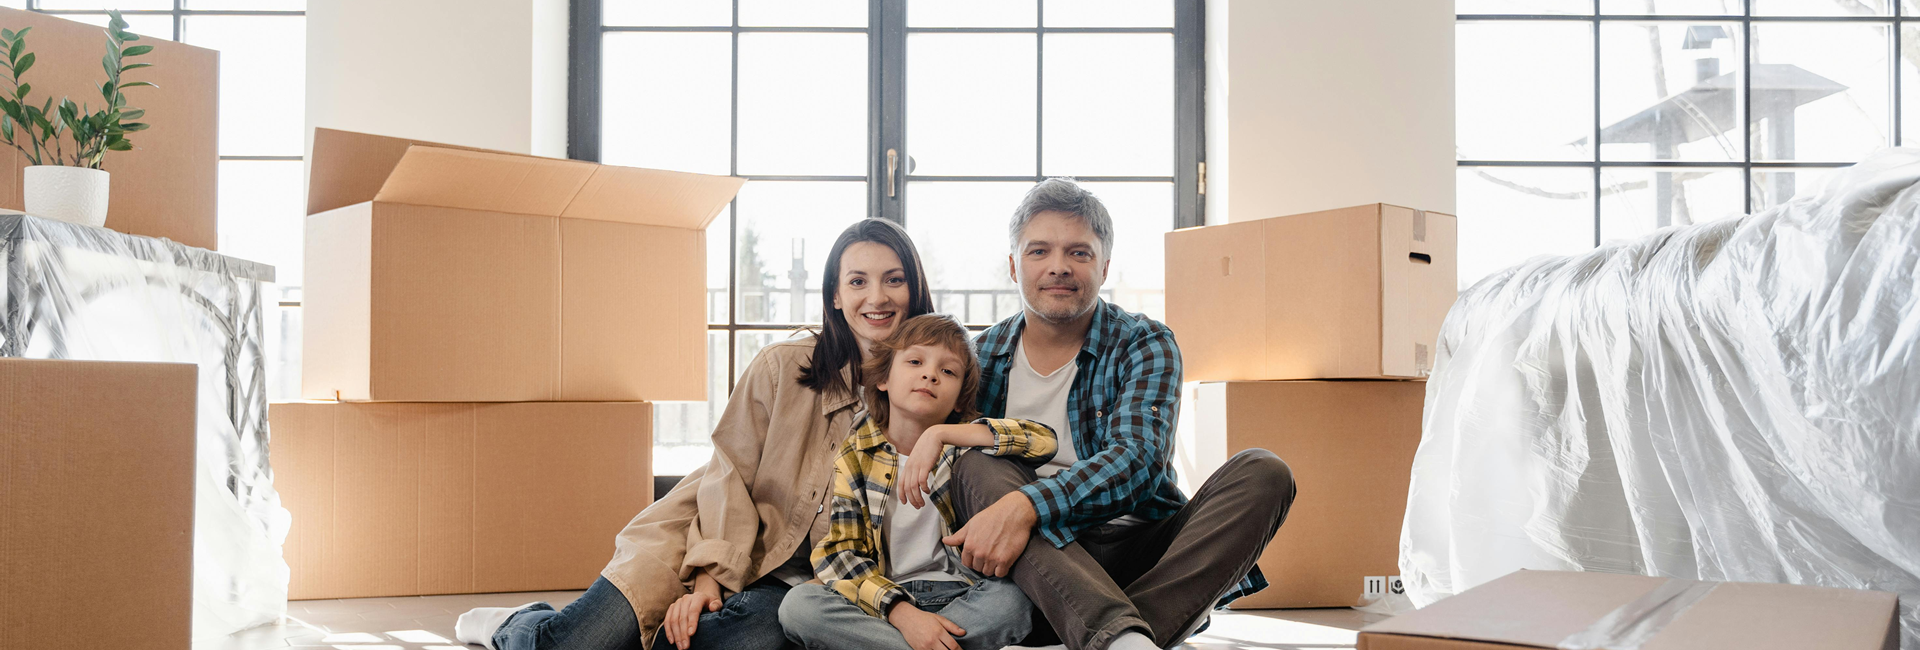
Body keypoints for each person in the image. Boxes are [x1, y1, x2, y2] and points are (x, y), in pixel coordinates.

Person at [453, 218, 938, 650]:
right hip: (700, 534)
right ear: (835, 295)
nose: (877, 297)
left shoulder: (933, 384)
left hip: (794, 583)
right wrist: (708, 579)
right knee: (569, 643)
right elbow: (730, 474)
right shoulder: (781, 366)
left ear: (914, 289)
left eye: (893, 280)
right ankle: (517, 624)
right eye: (858, 281)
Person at [944, 178, 1298, 650]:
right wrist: (1016, 509)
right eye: (1039, 251)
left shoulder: (1143, 342)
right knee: (975, 461)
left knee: (1265, 472)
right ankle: (1127, 639)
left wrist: (1027, 505)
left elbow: (1139, 460)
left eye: (1079, 253)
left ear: (1104, 266)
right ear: (1013, 265)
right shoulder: (978, 357)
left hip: (1141, 550)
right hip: (1037, 563)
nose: (1059, 266)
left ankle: (1112, 632)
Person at [778, 314, 1057, 650]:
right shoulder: (856, 454)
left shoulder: (964, 448)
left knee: (1014, 599)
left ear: (959, 397)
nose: (930, 375)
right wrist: (902, 613)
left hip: (964, 595)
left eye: (948, 371)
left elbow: (1044, 441)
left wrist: (940, 434)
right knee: (799, 605)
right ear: (884, 379)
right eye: (915, 362)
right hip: (885, 603)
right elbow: (841, 552)